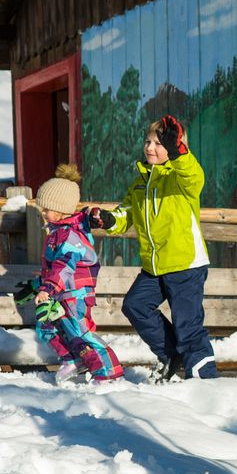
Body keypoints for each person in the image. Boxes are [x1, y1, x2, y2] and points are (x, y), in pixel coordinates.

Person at [89, 115, 216, 381]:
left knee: (188, 327)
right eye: (148, 141)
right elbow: (126, 213)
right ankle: (170, 354)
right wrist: (109, 219)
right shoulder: (141, 182)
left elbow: (193, 175)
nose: (150, 147)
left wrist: (179, 152)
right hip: (155, 266)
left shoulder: (180, 178)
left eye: (159, 143)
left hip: (185, 264)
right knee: (135, 305)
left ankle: (204, 382)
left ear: (173, 147)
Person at [15, 164, 124, 383]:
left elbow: (64, 265)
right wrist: (37, 285)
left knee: (80, 332)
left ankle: (108, 374)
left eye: (46, 209)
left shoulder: (70, 236)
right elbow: (53, 268)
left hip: (76, 295)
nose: (43, 213)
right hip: (60, 293)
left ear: (61, 209)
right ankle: (73, 359)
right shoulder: (57, 233)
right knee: (47, 326)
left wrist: (47, 289)